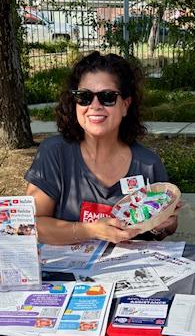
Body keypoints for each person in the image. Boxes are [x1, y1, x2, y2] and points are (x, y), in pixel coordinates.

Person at [25, 51, 178, 244]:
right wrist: (90, 230)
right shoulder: (54, 153)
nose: (95, 105)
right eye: (84, 97)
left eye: (107, 97)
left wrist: (164, 224)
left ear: (125, 105)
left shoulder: (148, 164)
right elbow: (32, 225)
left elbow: (165, 229)